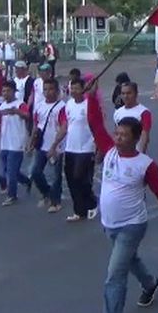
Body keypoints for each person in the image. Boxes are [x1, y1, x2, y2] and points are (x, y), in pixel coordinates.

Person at [84, 85, 158, 313]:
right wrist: (90, 96)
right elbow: (94, 122)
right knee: (130, 259)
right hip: (110, 224)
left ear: (136, 138)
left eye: (123, 135)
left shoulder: (145, 164)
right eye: (117, 133)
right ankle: (150, 284)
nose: (117, 138)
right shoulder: (109, 151)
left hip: (132, 225)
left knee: (114, 275)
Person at [54, 78, 98, 222]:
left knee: (80, 178)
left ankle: (92, 202)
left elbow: (97, 127)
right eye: (71, 88)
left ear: (84, 89)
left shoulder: (89, 105)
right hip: (70, 148)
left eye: (77, 88)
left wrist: (98, 147)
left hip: (86, 148)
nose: (73, 91)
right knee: (71, 180)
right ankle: (79, 211)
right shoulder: (69, 105)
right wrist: (54, 145)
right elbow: (65, 126)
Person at [30, 78, 65, 213]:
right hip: (42, 144)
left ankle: (55, 201)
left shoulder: (61, 106)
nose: (47, 92)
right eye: (45, 89)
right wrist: (31, 141)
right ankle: (47, 193)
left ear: (56, 91)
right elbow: (36, 125)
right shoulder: (39, 106)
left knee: (55, 176)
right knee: (35, 172)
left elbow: (63, 126)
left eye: (51, 89)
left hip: (57, 146)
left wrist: (55, 145)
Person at [0, 81, 32, 205]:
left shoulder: (20, 104)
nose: (5, 93)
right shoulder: (2, 106)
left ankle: (12, 195)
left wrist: (17, 112)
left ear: (13, 91)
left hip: (17, 142)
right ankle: (27, 181)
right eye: (3, 91)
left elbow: (27, 116)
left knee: (11, 171)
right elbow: (3, 121)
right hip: (5, 142)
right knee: (8, 169)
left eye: (8, 91)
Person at [113, 82, 152, 153]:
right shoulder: (117, 112)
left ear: (136, 94)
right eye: (123, 93)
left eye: (129, 93)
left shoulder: (144, 112)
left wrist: (138, 154)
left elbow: (144, 136)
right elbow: (116, 133)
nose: (125, 96)